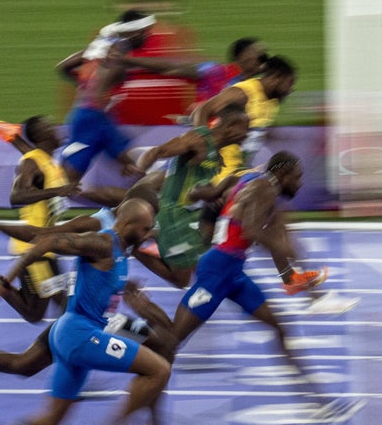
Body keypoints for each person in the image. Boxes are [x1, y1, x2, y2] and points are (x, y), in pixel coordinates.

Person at [11, 198, 171, 425]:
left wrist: (125, 287)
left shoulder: (121, 249)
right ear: (126, 225)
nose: (148, 235)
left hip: (74, 332)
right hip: (82, 335)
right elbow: (48, 241)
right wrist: (6, 279)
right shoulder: (103, 242)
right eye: (145, 229)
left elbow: (99, 280)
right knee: (160, 371)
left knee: (50, 419)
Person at [171, 152, 328, 358]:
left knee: (280, 328)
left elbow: (217, 197)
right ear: (282, 173)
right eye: (297, 177)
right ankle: (130, 344)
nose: (300, 184)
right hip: (216, 274)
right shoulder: (266, 189)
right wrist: (282, 251)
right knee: (172, 341)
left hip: (234, 273)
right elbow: (251, 231)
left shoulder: (247, 178)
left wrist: (197, 196)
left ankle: (310, 389)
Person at [0, 115, 79, 323]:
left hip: (46, 244)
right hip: (33, 248)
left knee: (35, 312)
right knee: (63, 308)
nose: (57, 128)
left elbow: (36, 160)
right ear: (42, 135)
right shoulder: (32, 162)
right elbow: (16, 197)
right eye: (51, 126)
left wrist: (14, 139)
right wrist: (58, 190)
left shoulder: (46, 160)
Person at [134, 103, 251, 288]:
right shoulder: (197, 140)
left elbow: (196, 181)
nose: (247, 134)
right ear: (230, 127)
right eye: (245, 129)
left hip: (187, 215)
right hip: (172, 213)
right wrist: (140, 168)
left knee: (204, 251)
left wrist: (212, 194)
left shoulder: (216, 154)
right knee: (181, 280)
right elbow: (158, 152)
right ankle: (135, 248)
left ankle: (158, 239)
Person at [55, 9, 156, 205]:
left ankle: (143, 207)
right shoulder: (117, 56)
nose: (147, 36)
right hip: (91, 121)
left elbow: (64, 66)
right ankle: (139, 205)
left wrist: (83, 88)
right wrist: (99, 99)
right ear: (133, 33)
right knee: (69, 185)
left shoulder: (100, 47)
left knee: (134, 169)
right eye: (145, 32)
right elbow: (102, 88)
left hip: (95, 117)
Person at [194, 55, 297, 183]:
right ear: (276, 78)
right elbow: (202, 111)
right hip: (220, 172)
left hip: (240, 172)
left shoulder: (272, 103)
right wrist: (205, 150)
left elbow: (255, 129)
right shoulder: (243, 93)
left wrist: (276, 136)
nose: (290, 90)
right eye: (289, 83)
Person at [113, 37, 269, 116]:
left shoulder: (262, 87)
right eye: (257, 53)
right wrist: (127, 60)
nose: (263, 57)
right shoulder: (216, 72)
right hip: (204, 138)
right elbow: (170, 68)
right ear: (243, 56)